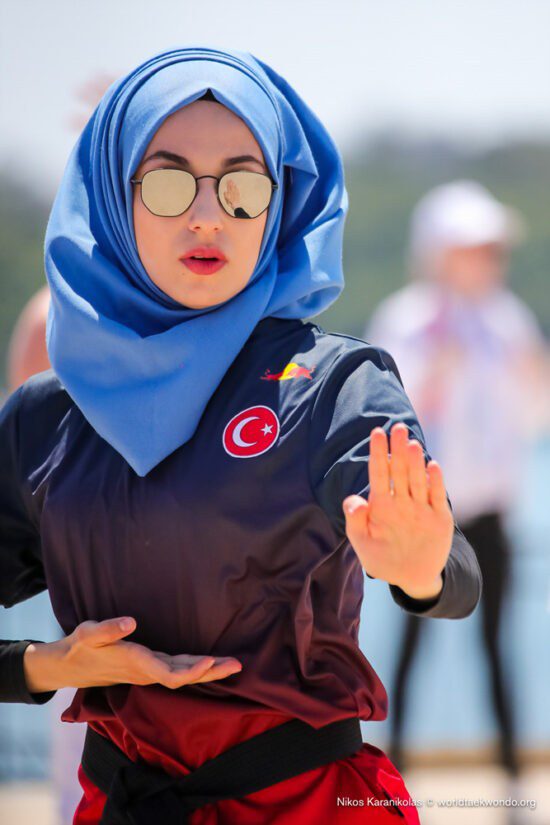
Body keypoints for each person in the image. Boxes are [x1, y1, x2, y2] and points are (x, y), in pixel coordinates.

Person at [0, 47, 482, 824]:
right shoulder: (45, 418)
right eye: (168, 182)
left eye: (242, 186)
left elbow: (451, 570)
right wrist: (48, 664)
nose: (207, 214)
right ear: (114, 196)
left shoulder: (332, 384)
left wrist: (419, 569)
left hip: (311, 804)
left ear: (278, 205)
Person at [366, 181, 548, 787]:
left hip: (490, 511)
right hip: (425, 511)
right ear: (439, 252)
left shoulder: (507, 320)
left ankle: (513, 777)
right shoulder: (407, 319)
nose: (489, 260)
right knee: (412, 644)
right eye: (475, 248)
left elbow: (533, 416)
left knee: (497, 646)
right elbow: (384, 414)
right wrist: (435, 371)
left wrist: (533, 374)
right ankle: (395, 770)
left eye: (492, 249)